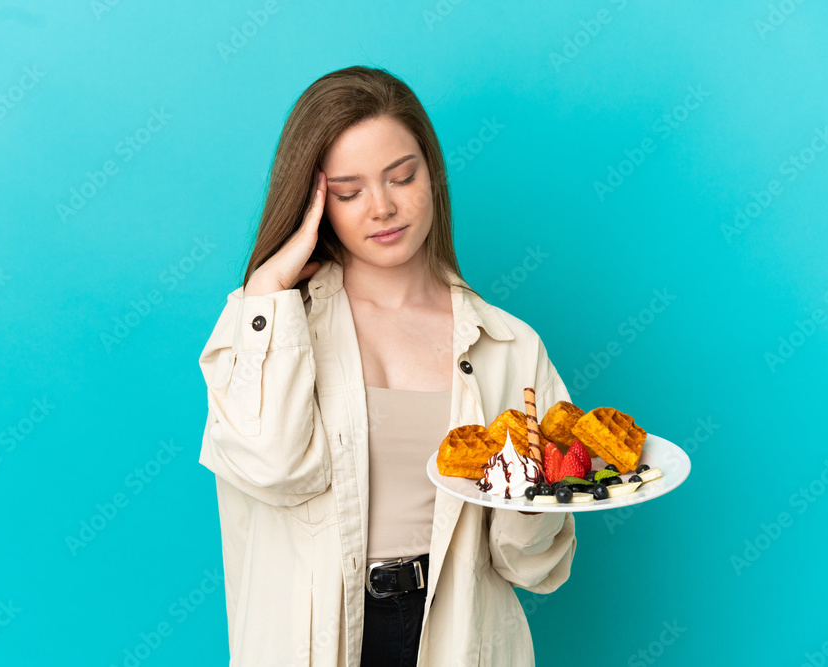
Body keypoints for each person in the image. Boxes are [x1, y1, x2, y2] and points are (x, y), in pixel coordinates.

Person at [198, 65, 576, 667]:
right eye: (348, 193)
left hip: (458, 637)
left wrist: (532, 498)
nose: (382, 207)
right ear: (313, 202)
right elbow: (268, 467)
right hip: (317, 640)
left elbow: (534, 567)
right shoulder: (274, 327)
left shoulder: (508, 346)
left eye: (402, 177)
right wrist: (268, 286)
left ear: (433, 173)